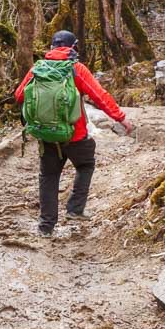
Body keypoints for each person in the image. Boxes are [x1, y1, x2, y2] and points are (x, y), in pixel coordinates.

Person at [15, 30, 134, 236]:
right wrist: (121, 117)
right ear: (73, 47)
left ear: (52, 48)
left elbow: (19, 96)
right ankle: (75, 209)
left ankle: (46, 227)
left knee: (48, 177)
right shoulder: (76, 69)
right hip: (75, 135)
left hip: (46, 135)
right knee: (86, 164)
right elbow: (99, 96)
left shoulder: (38, 68)